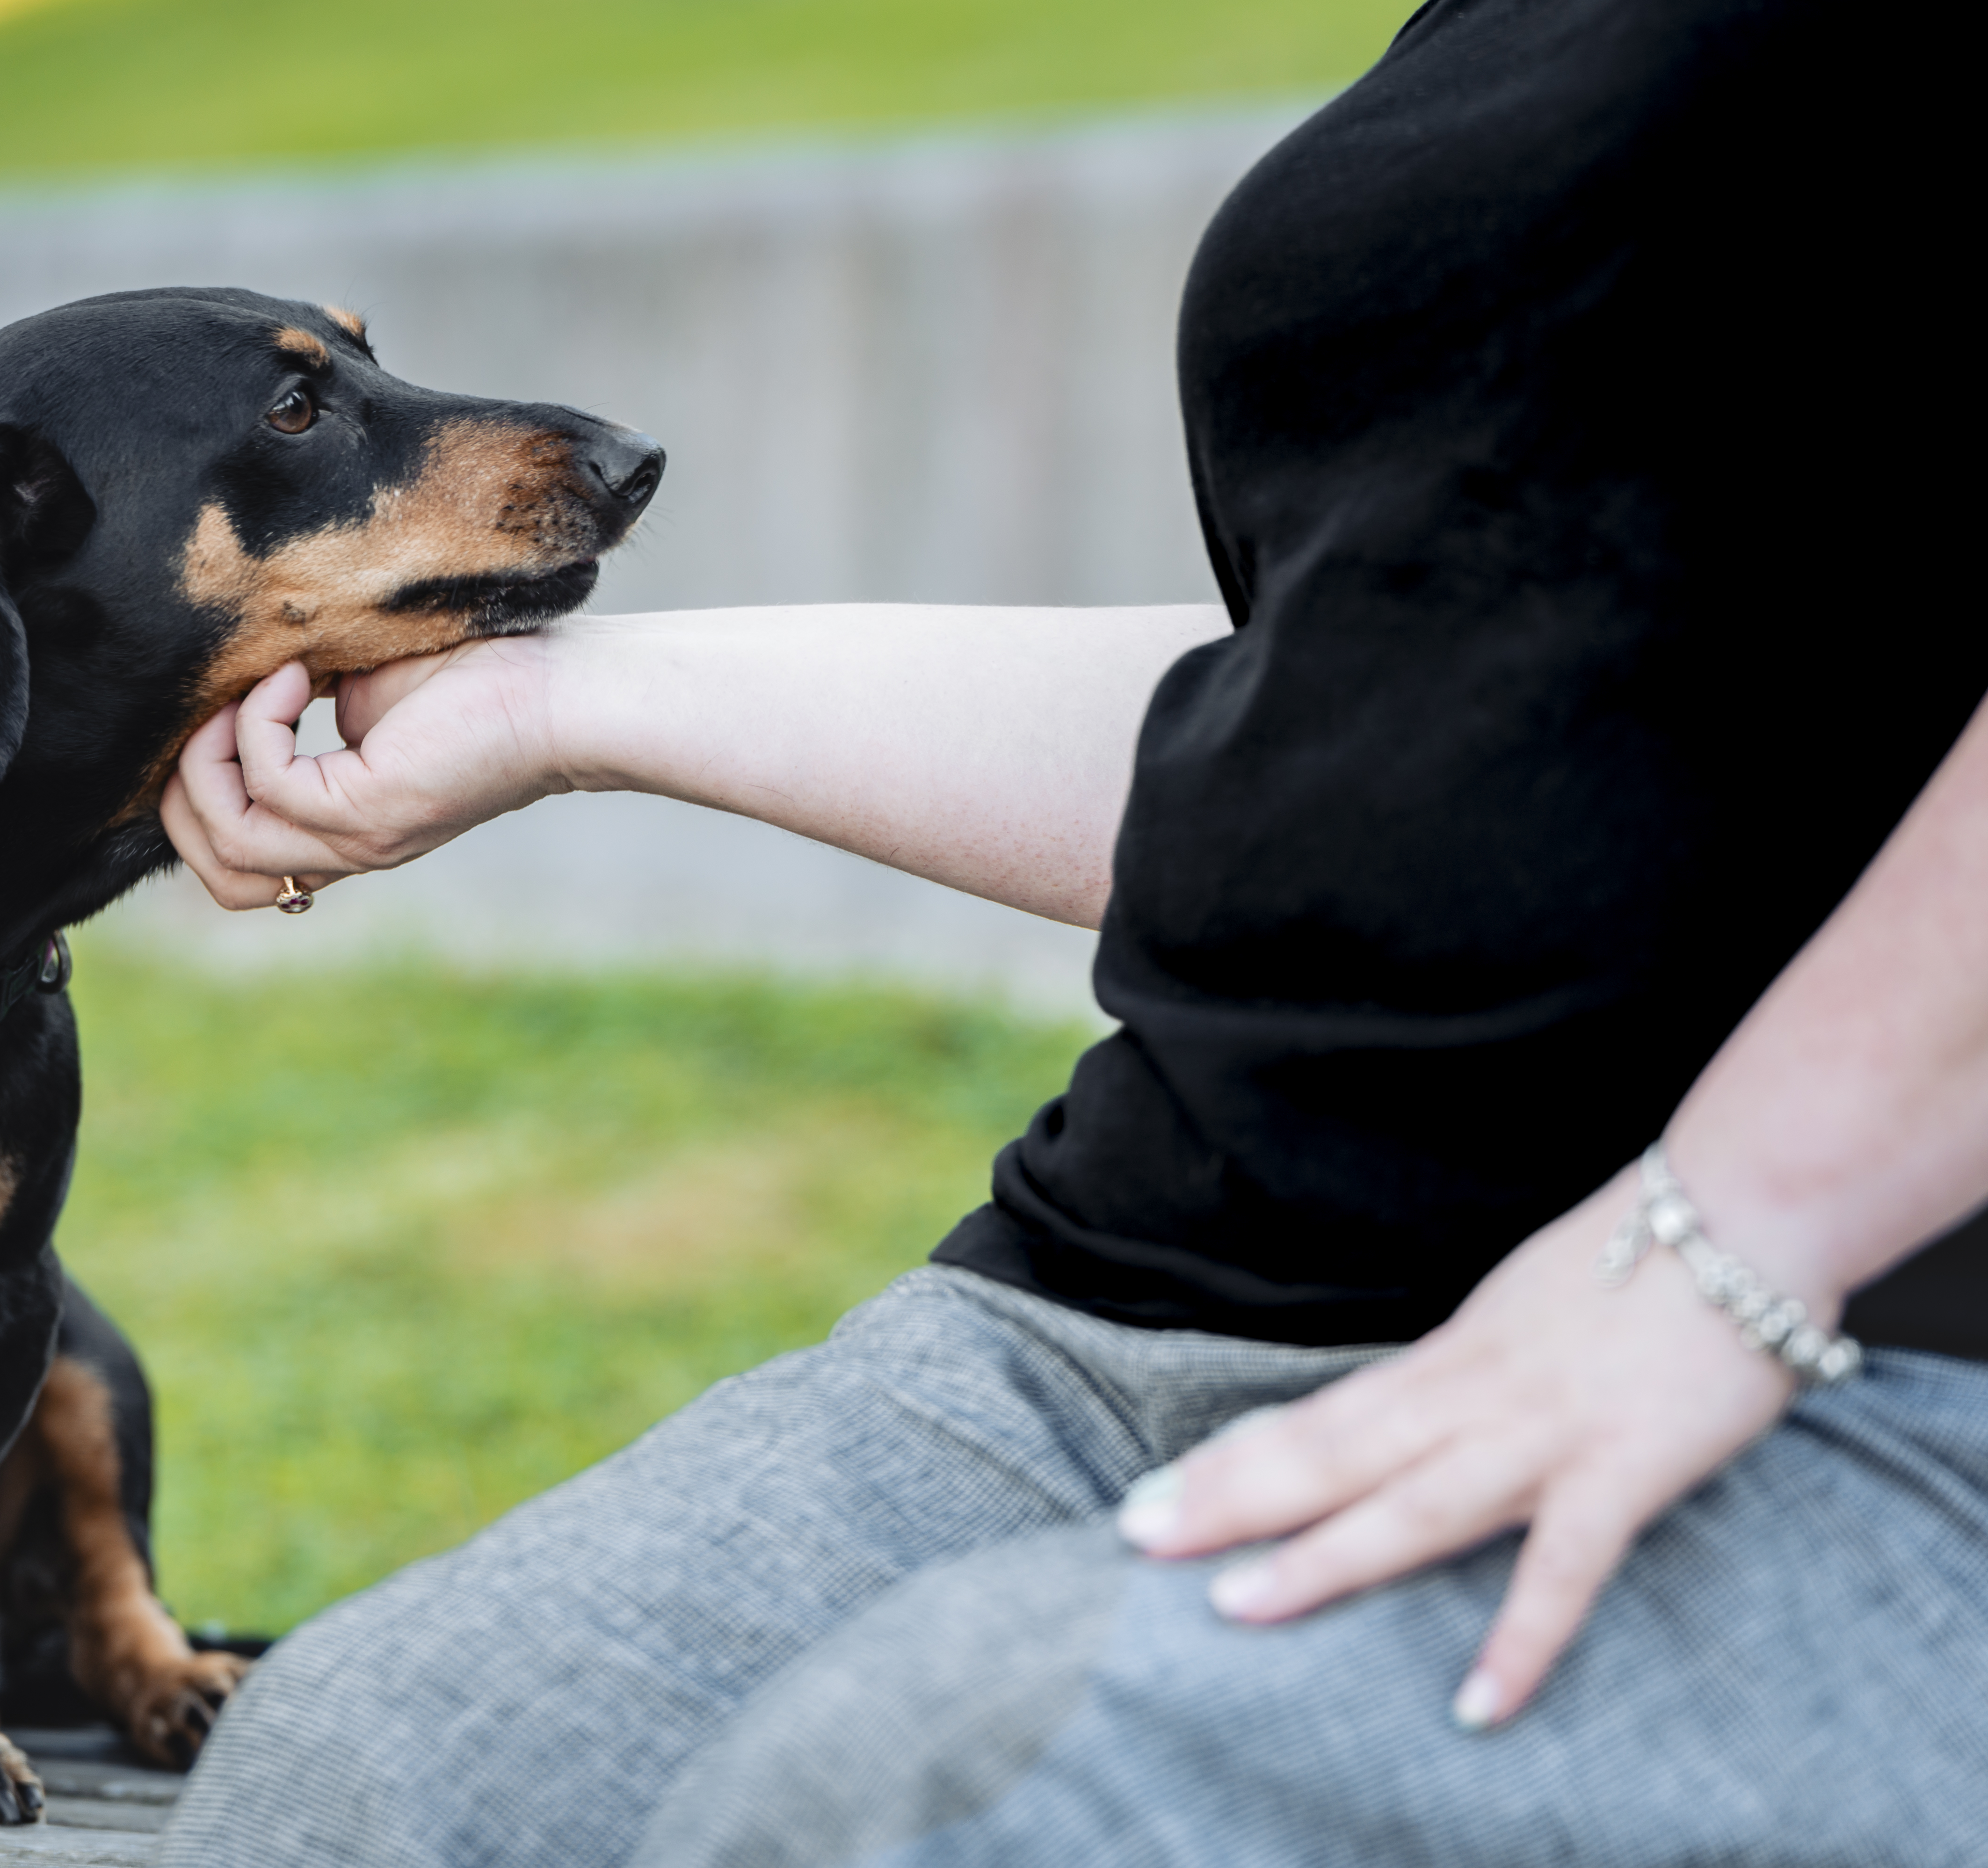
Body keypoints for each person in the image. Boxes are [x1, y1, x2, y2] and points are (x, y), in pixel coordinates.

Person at [149, 0, 1985, 1860]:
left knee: (964, 1798)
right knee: (375, 1778)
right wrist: (566, 707)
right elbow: (1367, 734)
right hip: (1172, 1303)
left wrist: (1728, 1247)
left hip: (1850, 1354)